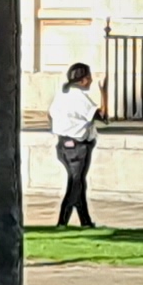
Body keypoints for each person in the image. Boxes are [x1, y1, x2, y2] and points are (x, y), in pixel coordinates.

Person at [49, 62, 103, 230]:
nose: (91, 80)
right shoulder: (79, 97)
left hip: (63, 144)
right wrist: (104, 92)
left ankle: (85, 222)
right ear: (82, 80)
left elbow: (49, 115)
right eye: (89, 78)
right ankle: (62, 222)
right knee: (75, 183)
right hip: (78, 146)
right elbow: (102, 115)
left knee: (78, 182)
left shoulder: (62, 94)